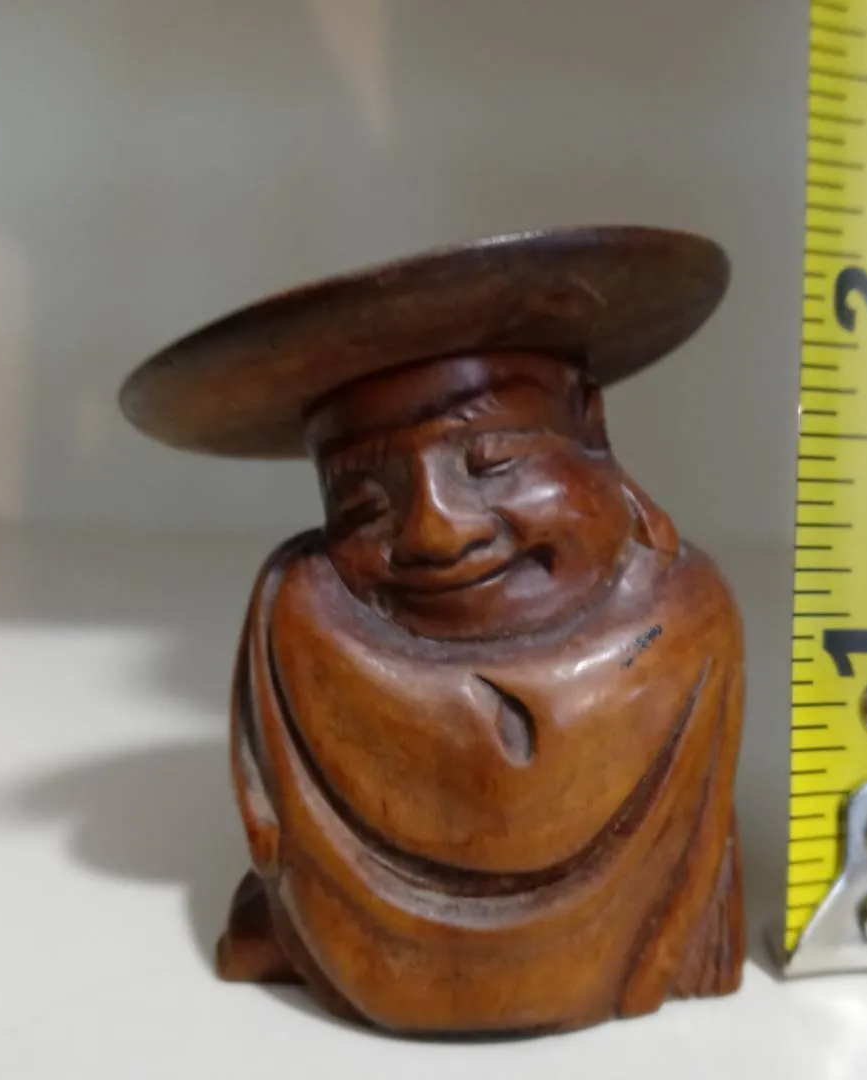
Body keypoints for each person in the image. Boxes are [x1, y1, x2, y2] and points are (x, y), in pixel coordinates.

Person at [120, 227, 746, 1035]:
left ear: (590, 428)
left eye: (493, 462)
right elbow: (276, 817)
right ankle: (309, 932)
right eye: (362, 501)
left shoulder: (684, 620)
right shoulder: (301, 621)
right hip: (356, 948)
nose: (436, 533)